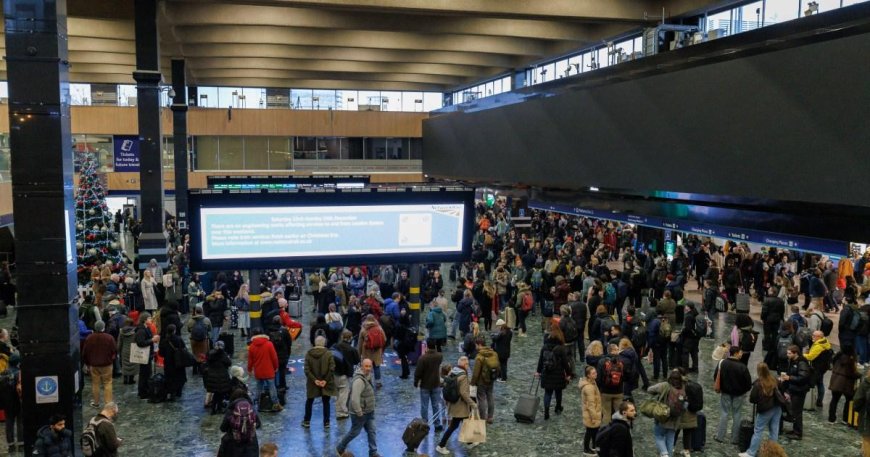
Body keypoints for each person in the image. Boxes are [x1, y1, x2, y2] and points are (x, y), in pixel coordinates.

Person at [335, 359, 381, 457]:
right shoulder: (359, 381)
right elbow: (354, 399)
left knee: (372, 431)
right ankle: (340, 448)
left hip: (369, 411)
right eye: (366, 366)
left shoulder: (368, 376)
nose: (368, 368)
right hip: (360, 413)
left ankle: (373, 452)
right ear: (361, 366)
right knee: (354, 432)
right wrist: (359, 412)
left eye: (370, 366)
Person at [740, 363, 786, 457]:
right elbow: (781, 390)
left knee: (758, 430)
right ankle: (773, 452)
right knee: (774, 430)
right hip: (777, 407)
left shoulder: (758, 383)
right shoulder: (774, 379)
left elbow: (752, 399)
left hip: (765, 409)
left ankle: (751, 452)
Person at [435, 356, 478, 455]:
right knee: (453, 426)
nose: (468, 366)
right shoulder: (463, 376)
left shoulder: (453, 371)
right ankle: (441, 445)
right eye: (467, 364)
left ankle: (469, 442)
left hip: (454, 404)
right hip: (460, 406)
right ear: (465, 364)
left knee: (465, 422)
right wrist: (473, 404)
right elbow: (464, 393)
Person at [713, 345, 752, 445]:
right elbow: (748, 383)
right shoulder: (742, 367)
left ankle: (720, 436)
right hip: (738, 394)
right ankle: (735, 439)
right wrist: (743, 391)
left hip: (725, 392)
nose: (742, 354)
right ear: (736, 353)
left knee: (724, 413)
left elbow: (715, 376)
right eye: (740, 352)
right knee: (737, 414)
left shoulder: (723, 363)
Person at [647, 369, 688, 457]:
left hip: (663, 416)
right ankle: (669, 454)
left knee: (659, 436)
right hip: (675, 419)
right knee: (670, 439)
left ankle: (664, 454)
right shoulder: (683, 388)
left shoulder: (665, 385)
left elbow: (649, 389)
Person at [303, 335, 336, 429]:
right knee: (326, 402)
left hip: (312, 383)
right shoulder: (328, 354)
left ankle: (306, 421)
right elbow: (332, 368)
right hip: (326, 382)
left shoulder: (308, 354)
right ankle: (326, 422)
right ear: (324, 343)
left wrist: (315, 380)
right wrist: (325, 380)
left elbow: (306, 370)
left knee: (309, 401)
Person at [82, 320, 117, 408]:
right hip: (107, 364)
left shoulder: (89, 338)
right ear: (103, 327)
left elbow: (85, 352)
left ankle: (96, 402)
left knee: (95, 384)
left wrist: (87, 363)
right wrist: (112, 358)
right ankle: (108, 403)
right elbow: (114, 350)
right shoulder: (109, 338)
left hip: (93, 365)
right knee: (108, 383)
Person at [247, 328, 282, 412]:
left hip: (258, 371)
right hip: (269, 370)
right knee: (272, 387)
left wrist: (249, 369)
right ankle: (276, 403)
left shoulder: (252, 346)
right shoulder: (269, 344)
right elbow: (274, 357)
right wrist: (276, 367)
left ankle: (255, 401)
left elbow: (250, 360)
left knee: (259, 387)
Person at [780, 344, 811, 440]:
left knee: (797, 412)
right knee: (794, 410)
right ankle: (795, 430)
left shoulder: (802, 363)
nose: (787, 355)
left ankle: (798, 433)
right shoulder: (792, 360)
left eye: (789, 353)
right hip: (794, 388)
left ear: (795, 353)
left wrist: (789, 377)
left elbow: (803, 377)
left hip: (799, 390)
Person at [219, 388, 261, 457]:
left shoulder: (231, 409)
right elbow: (258, 424)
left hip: (234, 445)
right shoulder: (251, 408)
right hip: (251, 443)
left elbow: (223, 428)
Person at [415, 338, 444, 431]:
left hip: (425, 385)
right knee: (435, 405)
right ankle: (437, 424)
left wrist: (416, 382)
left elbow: (418, 372)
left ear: (427, 345)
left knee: (424, 406)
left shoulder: (423, 358)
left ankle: (424, 424)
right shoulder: (439, 356)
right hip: (436, 384)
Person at [828, 345, 860, 424]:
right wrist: (859, 375)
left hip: (835, 381)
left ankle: (831, 419)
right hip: (846, 384)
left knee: (834, 400)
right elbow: (851, 373)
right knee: (848, 401)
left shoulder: (837, 357)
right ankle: (845, 419)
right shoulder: (849, 360)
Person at [333, 330, 361, 420]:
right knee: (343, 393)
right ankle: (342, 412)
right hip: (345, 373)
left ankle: (338, 410)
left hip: (335, 372)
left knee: (338, 392)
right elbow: (357, 360)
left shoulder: (335, 346)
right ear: (350, 338)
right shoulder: (352, 349)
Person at [471, 336, 500, 424]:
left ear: (479, 344)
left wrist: (472, 383)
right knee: (490, 396)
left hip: (481, 381)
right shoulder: (494, 353)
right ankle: (490, 417)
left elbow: (476, 373)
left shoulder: (479, 356)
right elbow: (498, 366)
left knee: (481, 399)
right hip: (491, 379)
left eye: (476, 345)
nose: (475, 347)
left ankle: (483, 418)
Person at [596, 343, 625, 425]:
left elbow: (599, 378)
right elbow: (625, 376)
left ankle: (607, 432)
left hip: (605, 392)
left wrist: (600, 389)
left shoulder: (602, 361)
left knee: (606, 414)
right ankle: (620, 430)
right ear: (615, 350)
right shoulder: (621, 361)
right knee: (619, 413)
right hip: (618, 391)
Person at [158, 323, 188, 401]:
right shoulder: (179, 339)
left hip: (168, 363)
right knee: (179, 377)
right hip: (178, 362)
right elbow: (184, 348)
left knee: (170, 378)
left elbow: (161, 353)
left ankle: (172, 393)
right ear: (174, 331)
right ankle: (179, 392)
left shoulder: (164, 341)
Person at [267, 316, 292, 405]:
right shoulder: (284, 330)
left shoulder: (269, 331)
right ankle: (282, 385)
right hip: (283, 354)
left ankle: (274, 385)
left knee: (273, 370)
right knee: (282, 370)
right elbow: (289, 342)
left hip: (273, 353)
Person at [804, 330, 833, 409]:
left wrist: (801, 355)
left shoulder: (818, 346)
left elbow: (810, 357)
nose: (812, 337)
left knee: (814, 383)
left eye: (814, 336)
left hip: (817, 367)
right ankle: (819, 401)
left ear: (819, 337)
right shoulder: (825, 342)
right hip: (823, 367)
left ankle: (812, 401)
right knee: (820, 383)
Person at [134, 313, 159, 399]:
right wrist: (152, 340)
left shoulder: (146, 328)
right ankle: (143, 392)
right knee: (144, 374)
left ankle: (146, 390)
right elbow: (140, 343)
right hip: (144, 354)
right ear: (144, 319)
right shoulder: (141, 330)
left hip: (148, 354)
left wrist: (153, 339)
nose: (151, 319)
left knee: (147, 373)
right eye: (149, 318)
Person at [579, 365, 602, 457]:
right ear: (588, 375)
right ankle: (586, 449)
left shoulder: (592, 382)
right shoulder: (589, 388)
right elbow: (591, 404)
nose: (596, 374)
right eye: (593, 373)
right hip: (591, 414)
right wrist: (594, 417)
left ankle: (593, 446)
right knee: (590, 431)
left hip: (593, 412)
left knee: (594, 430)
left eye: (596, 372)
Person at [358, 315, 386, 389]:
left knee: (366, 367)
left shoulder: (363, 329)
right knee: (376, 367)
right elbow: (384, 339)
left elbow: (360, 343)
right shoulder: (379, 328)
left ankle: (367, 381)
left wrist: (359, 353)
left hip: (366, 352)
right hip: (376, 352)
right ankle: (378, 382)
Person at [205, 340, 232, 415]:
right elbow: (229, 363)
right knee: (220, 394)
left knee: (216, 394)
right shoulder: (223, 354)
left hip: (212, 377)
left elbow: (207, 362)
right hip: (221, 377)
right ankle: (218, 408)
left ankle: (214, 409)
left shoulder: (210, 354)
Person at [852, 367, 870, 456]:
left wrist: (857, 409)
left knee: (867, 439)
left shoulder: (866, 384)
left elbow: (857, 400)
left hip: (867, 417)